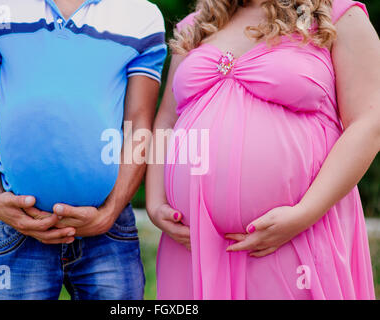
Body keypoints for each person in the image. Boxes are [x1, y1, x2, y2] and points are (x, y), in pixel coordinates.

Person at [146, 0, 379, 299]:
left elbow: (369, 122)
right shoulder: (197, 25)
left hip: (295, 235)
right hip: (194, 246)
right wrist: (155, 203)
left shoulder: (338, 14)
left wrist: (303, 213)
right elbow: (166, 120)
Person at [0, 0, 167, 300]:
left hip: (109, 230)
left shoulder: (141, 14)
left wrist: (110, 212)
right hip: (16, 228)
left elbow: (140, 127)